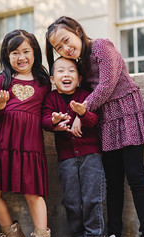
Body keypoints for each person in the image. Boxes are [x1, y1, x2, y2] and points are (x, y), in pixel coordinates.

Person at [45, 16, 144, 237]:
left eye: (67, 40)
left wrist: (81, 113)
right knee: (113, 180)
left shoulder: (101, 46)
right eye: (58, 47)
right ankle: (114, 231)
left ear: (78, 31)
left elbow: (106, 85)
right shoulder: (79, 63)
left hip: (127, 113)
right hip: (105, 121)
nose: (65, 48)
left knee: (135, 176)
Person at [0, 29, 51, 237]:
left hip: (30, 145)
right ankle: (13, 234)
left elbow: (48, 111)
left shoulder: (43, 82)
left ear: (34, 53)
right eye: (14, 53)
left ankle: (41, 234)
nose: (21, 57)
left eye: (26, 51)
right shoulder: (2, 81)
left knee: (33, 194)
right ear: (7, 56)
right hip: (3, 143)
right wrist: (1, 104)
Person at [41, 57, 105, 237]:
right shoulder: (51, 99)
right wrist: (53, 121)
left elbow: (94, 120)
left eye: (71, 71)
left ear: (79, 78)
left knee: (93, 199)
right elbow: (44, 119)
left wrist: (83, 113)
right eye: (60, 71)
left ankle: (94, 234)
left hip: (91, 156)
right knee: (71, 202)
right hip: (66, 159)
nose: (66, 74)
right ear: (53, 79)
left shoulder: (85, 96)